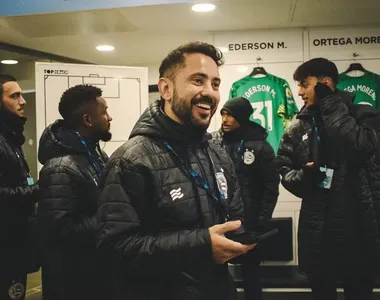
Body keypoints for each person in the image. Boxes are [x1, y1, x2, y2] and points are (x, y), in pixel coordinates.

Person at [96, 42, 256, 300]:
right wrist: (203, 245)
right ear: (166, 89)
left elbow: (231, 215)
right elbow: (115, 249)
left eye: (215, 84)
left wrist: (239, 237)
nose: (210, 92)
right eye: (198, 80)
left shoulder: (216, 153)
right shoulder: (130, 160)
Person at [276, 57, 380, 300]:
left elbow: (358, 146)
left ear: (325, 83)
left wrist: (331, 102)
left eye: (305, 84)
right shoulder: (298, 127)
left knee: (359, 291)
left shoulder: (365, 115)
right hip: (318, 229)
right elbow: (284, 171)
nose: (299, 92)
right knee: (322, 291)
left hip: (359, 226)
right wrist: (305, 176)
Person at [37, 84, 112, 300]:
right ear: (88, 120)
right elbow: (60, 230)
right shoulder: (60, 167)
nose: (110, 117)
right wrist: (111, 218)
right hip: (73, 283)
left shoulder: (93, 154)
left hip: (94, 272)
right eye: (105, 111)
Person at [211, 97, 280, 300]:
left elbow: (270, 186)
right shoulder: (214, 143)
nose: (224, 119)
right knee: (217, 270)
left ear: (241, 117)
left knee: (251, 272)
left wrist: (262, 220)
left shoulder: (260, 146)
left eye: (230, 114)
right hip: (219, 219)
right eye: (223, 113)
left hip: (250, 221)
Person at [0, 74, 39, 300]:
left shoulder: (10, 138)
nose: (22, 101)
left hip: (14, 242)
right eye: (14, 96)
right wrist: (37, 190)